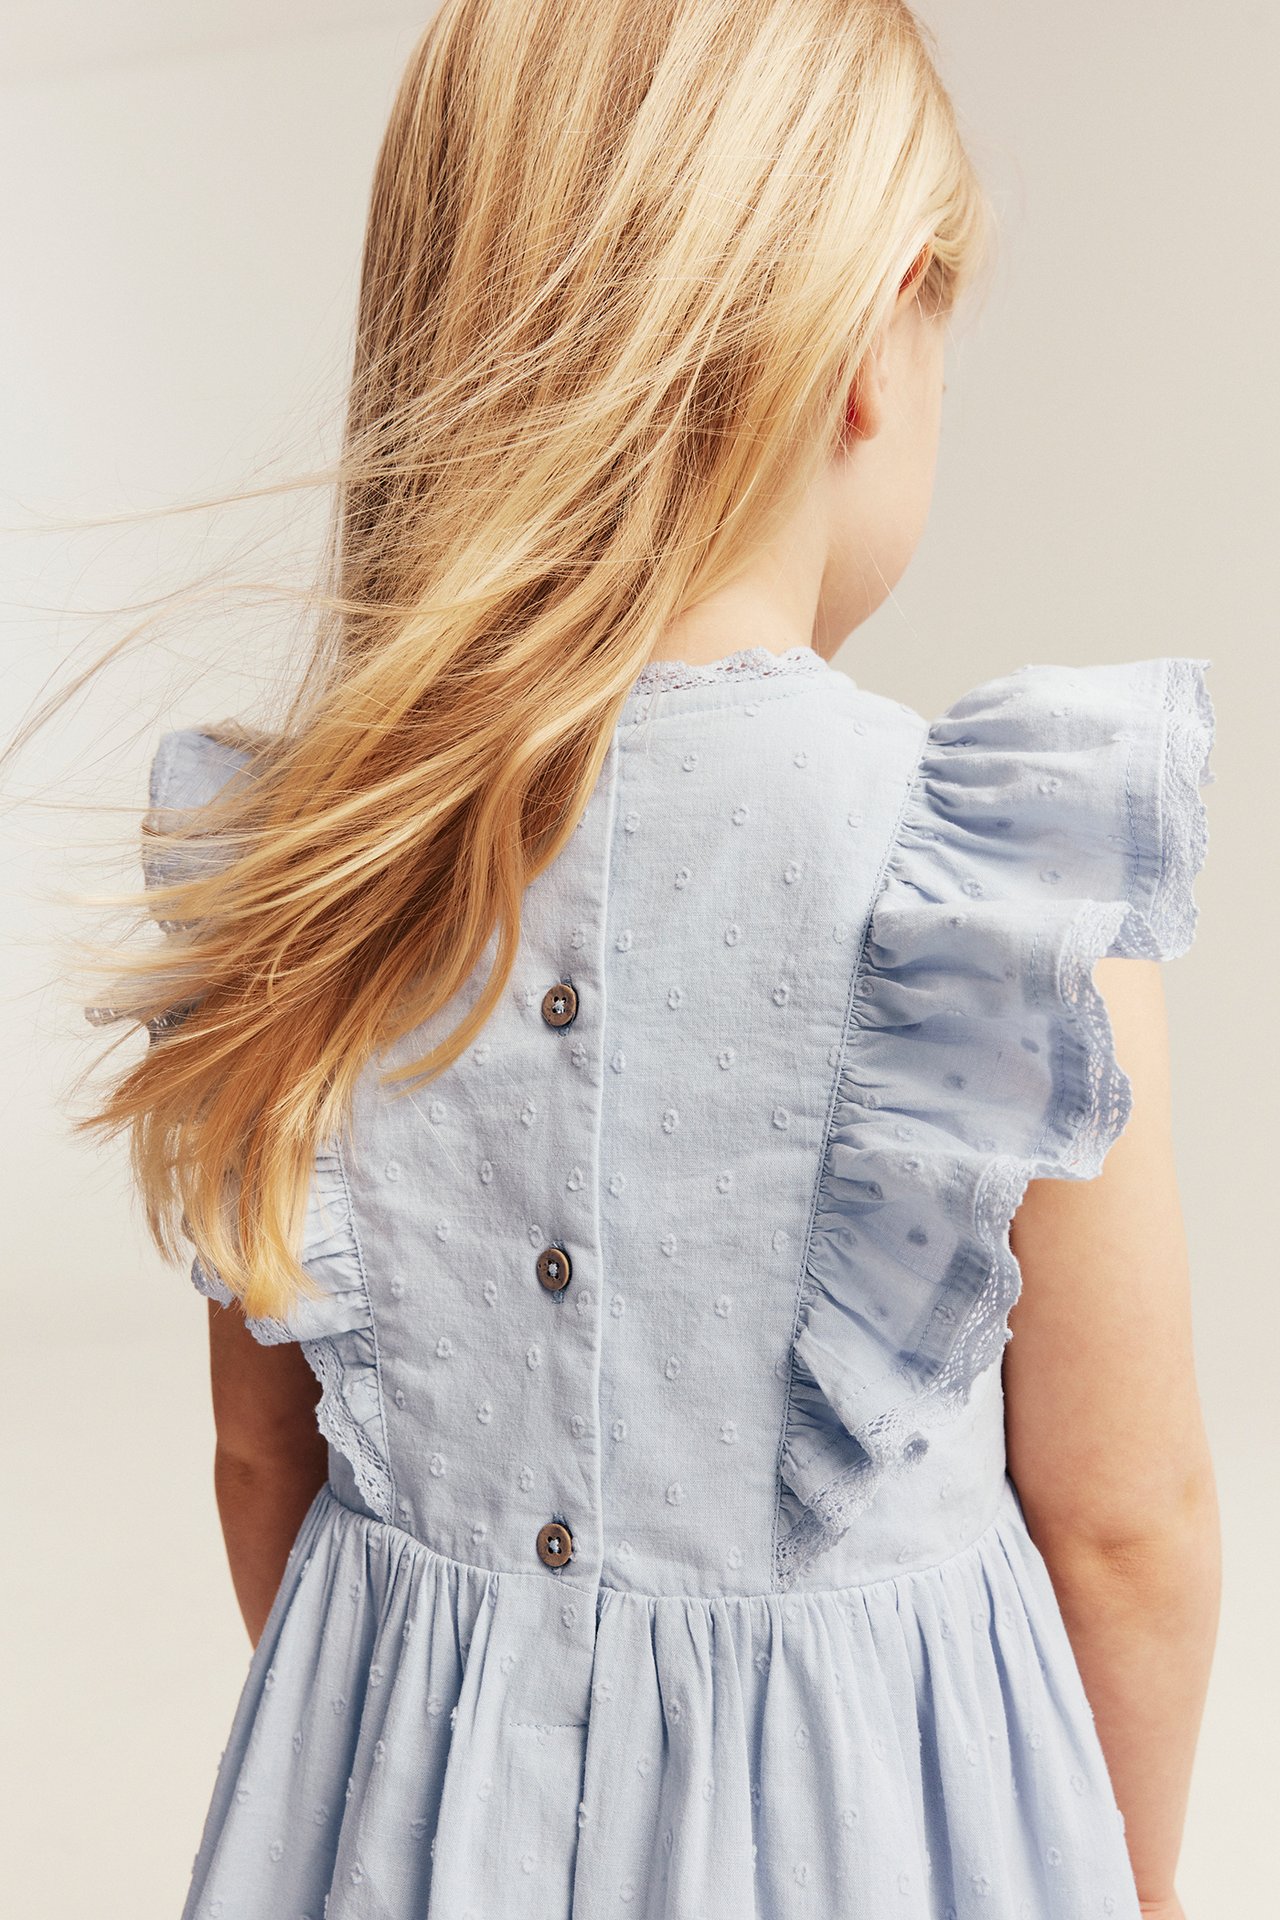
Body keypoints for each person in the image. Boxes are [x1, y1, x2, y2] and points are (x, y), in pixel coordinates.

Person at [78, 2, 1221, 1915]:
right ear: (871, 345)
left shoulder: (322, 871)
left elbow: (264, 1471)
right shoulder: (1000, 907)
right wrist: (1145, 1884)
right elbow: (1127, 1528)